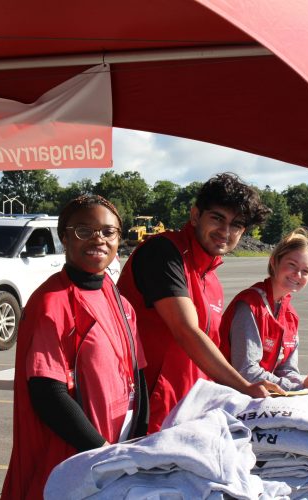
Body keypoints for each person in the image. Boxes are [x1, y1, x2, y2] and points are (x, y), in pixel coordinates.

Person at [2, 195, 147, 500]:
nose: (98, 238)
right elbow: (47, 392)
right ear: (64, 237)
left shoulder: (119, 299)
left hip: (117, 452)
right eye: (84, 230)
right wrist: (101, 452)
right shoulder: (52, 303)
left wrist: (139, 440)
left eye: (108, 232)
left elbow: (138, 373)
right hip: (74, 457)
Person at [117, 172, 282, 433]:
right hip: (144, 411)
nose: (225, 231)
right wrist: (244, 386)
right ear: (195, 216)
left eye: (237, 225)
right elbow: (186, 330)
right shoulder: (163, 252)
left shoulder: (211, 278)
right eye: (217, 218)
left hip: (186, 412)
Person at [220, 228, 308, 390]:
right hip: (231, 395)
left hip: (261, 397)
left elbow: (287, 369)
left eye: (305, 271)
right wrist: (298, 385)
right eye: (292, 265)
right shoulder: (250, 306)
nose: (297, 274)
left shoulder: (290, 316)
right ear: (274, 261)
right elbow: (246, 371)